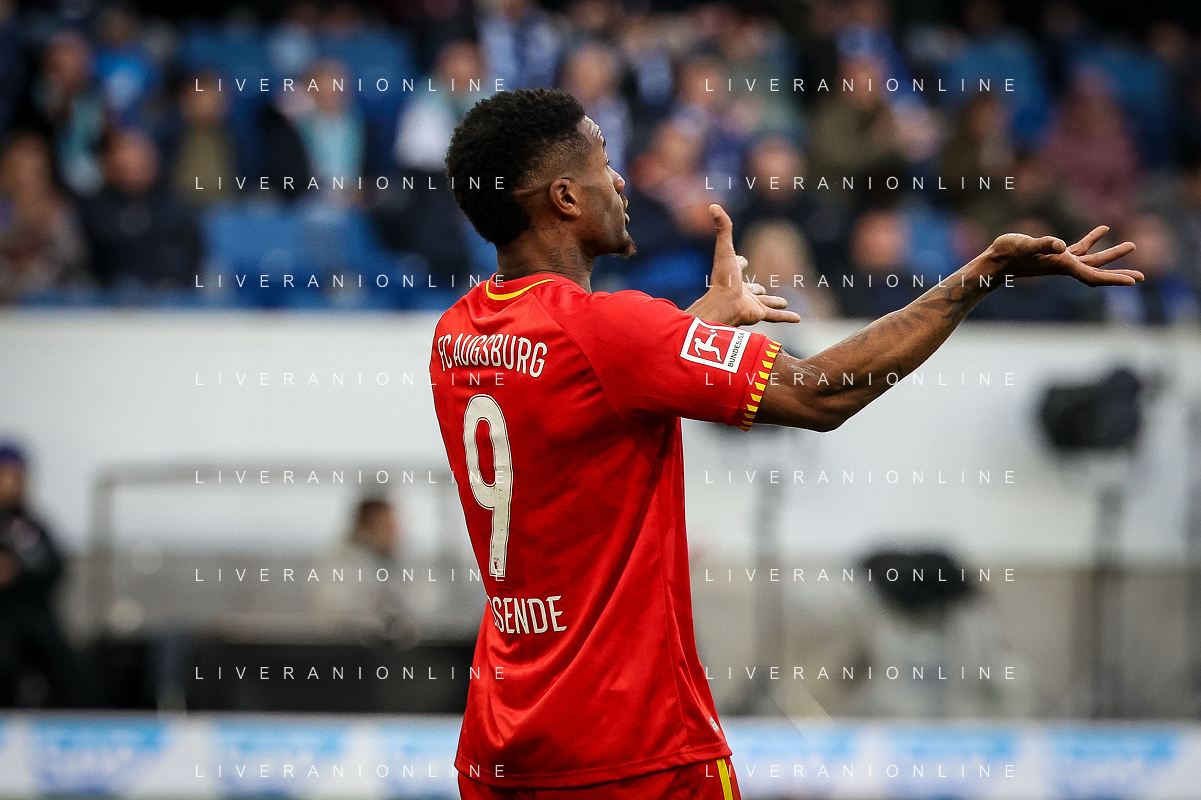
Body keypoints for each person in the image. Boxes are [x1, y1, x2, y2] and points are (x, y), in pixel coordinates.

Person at [430, 88, 1139, 799]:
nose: (617, 181)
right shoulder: (610, 329)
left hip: (503, 745)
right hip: (634, 747)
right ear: (563, 198)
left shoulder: (457, 335)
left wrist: (695, 326)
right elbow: (818, 395)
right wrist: (978, 278)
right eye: (602, 164)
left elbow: (587, 388)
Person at [0, 444, 81, 707]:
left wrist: (17, 573)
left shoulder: (32, 525)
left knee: (71, 668)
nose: (15, 483)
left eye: (19, 476)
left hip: (36, 616)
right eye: (7, 475)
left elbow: (56, 566)